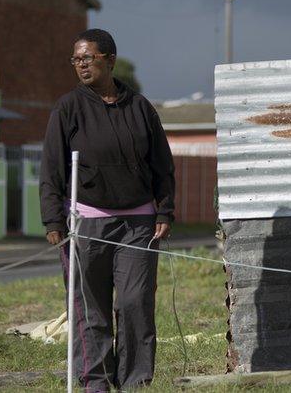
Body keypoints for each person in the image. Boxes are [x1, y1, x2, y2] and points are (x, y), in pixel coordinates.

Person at [41, 28, 175, 391]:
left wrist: (164, 210)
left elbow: (162, 164)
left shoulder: (140, 107)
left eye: (88, 58)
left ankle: (134, 381)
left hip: (138, 223)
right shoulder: (69, 107)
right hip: (86, 223)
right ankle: (95, 382)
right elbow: (52, 167)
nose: (80, 65)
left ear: (110, 59)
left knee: (135, 303)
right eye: (76, 59)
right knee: (91, 310)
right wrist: (53, 218)